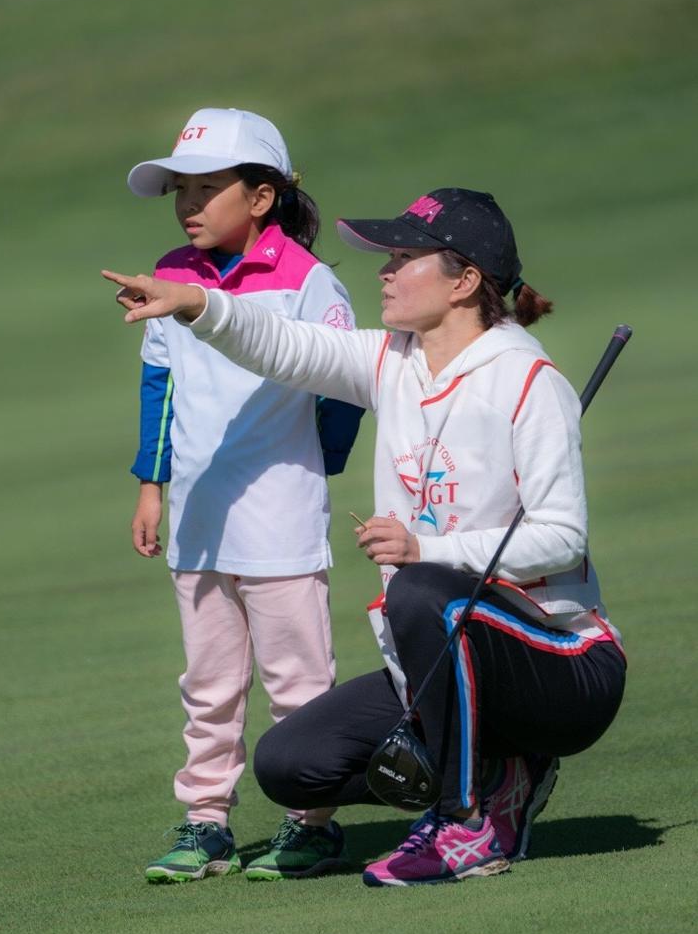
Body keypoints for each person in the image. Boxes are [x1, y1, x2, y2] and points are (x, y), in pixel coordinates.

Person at [104, 186, 626, 887]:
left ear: (465, 280)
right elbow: (286, 344)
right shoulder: (393, 360)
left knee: (421, 591)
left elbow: (561, 538)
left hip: (563, 663)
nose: (383, 270)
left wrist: (424, 549)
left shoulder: (529, 380)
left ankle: (466, 820)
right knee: (290, 765)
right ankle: (500, 769)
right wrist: (198, 303)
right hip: (445, 657)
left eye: (405, 257)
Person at [120, 108, 364, 883]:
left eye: (207, 187)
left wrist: (315, 464)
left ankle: (311, 821)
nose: (189, 204)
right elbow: (159, 386)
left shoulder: (310, 282)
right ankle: (206, 823)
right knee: (210, 685)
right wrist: (151, 487)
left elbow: (345, 386)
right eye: (179, 190)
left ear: (261, 198)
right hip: (196, 520)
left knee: (300, 683)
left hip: (281, 518)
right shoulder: (169, 271)